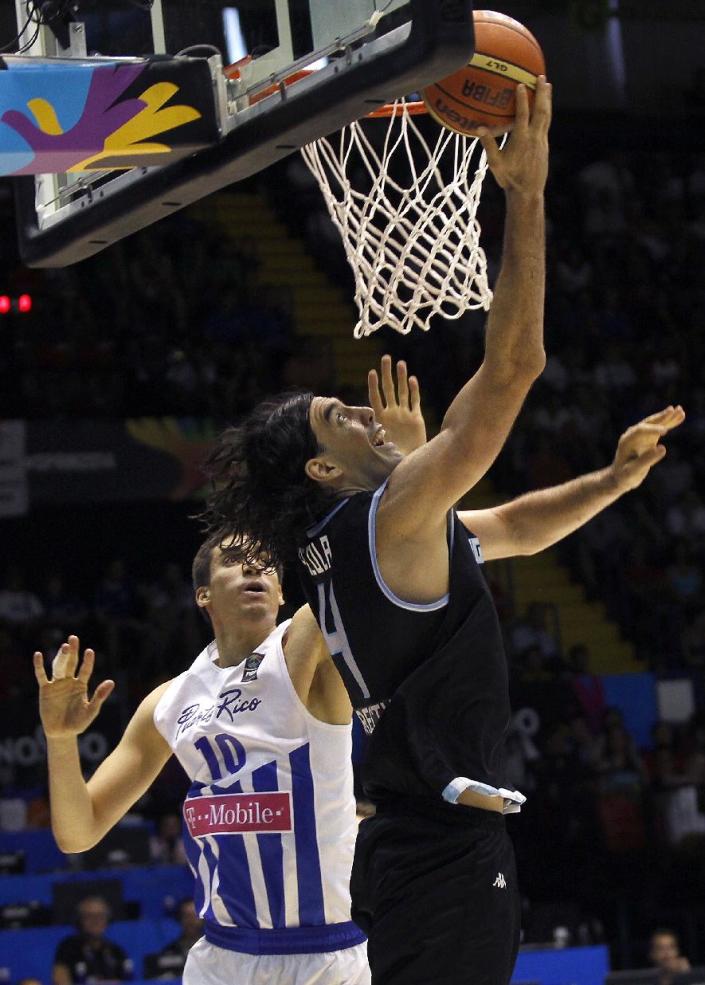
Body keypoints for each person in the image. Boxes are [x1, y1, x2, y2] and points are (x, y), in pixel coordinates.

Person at [203, 77, 686, 985]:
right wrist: (528, 193)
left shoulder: (343, 543)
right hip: (438, 855)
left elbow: (508, 527)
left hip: (404, 847)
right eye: (342, 416)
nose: (366, 412)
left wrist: (611, 481)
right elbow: (514, 367)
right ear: (321, 470)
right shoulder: (388, 516)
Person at [34, 538, 369, 985]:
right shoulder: (170, 700)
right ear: (203, 594)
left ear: (283, 592)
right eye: (235, 561)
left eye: (266, 564)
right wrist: (59, 740)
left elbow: (373, 551)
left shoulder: (304, 646)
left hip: (324, 955)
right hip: (221, 958)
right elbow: (78, 833)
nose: (254, 569)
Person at [52, 895, 129, 985]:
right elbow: (60, 980)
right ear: (79, 920)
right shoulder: (67, 948)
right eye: (89, 916)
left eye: (100, 916)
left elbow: (128, 981)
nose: (95, 921)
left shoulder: (116, 951)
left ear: (107, 920)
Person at [144, 899, 204, 980]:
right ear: (180, 919)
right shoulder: (169, 951)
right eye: (187, 916)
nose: (191, 921)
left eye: (195, 916)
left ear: (203, 919)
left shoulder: (213, 949)